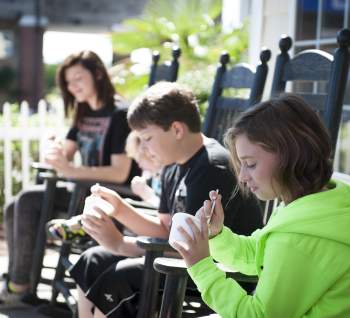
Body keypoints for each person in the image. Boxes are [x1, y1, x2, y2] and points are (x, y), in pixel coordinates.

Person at [68, 82, 263, 318]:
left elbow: (190, 248)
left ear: (177, 130)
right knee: (93, 258)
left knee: (120, 277)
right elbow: (164, 227)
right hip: (182, 259)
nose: (145, 148)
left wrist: (122, 244)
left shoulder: (211, 167)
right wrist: (120, 209)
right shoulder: (173, 165)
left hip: (217, 270)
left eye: (147, 138)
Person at [172, 94, 350, 317]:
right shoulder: (318, 206)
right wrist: (217, 235)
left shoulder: (298, 237)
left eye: (250, 164)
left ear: (290, 154)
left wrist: (201, 266)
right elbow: (258, 254)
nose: (243, 177)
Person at [1, 50, 140, 303]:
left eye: (78, 78)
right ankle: (17, 280)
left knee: (29, 200)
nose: (72, 86)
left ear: (98, 74)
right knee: (14, 205)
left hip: (109, 199)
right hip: (82, 192)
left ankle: (19, 285)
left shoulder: (120, 114)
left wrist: (71, 170)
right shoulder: (84, 112)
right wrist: (51, 147)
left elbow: (120, 173)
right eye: (67, 81)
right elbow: (63, 153)